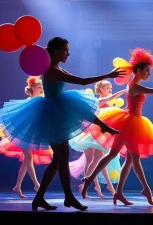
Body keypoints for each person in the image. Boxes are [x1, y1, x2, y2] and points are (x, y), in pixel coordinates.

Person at [1, 37, 125, 211]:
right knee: (62, 156)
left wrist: (101, 124)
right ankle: (68, 197)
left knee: (58, 159)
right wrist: (108, 75)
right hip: (52, 116)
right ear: (56, 51)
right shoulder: (51, 70)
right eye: (65, 49)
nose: (68, 53)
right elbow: (82, 81)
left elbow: (80, 104)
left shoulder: (57, 69)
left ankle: (41, 199)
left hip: (55, 113)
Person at [81, 47, 153, 205]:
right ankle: (144, 189)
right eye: (147, 70)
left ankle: (117, 191)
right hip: (129, 123)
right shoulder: (134, 86)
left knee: (127, 159)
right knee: (129, 158)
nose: (149, 73)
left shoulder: (133, 84)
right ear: (138, 70)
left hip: (131, 121)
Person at [69, 80, 125, 197]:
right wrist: (124, 90)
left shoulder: (109, 104)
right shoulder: (98, 101)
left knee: (98, 160)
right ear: (100, 90)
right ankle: (88, 183)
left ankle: (93, 185)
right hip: (91, 133)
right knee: (94, 159)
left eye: (111, 88)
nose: (110, 90)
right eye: (107, 88)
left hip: (99, 133)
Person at [0, 76, 53, 198]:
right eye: (39, 87)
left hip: (33, 132)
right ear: (33, 88)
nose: (41, 89)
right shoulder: (30, 101)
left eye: (41, 87)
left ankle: (17, 186)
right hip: (24, 133)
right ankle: (36, 184)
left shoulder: (41, 99)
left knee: (26, 161)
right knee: (28, 158)